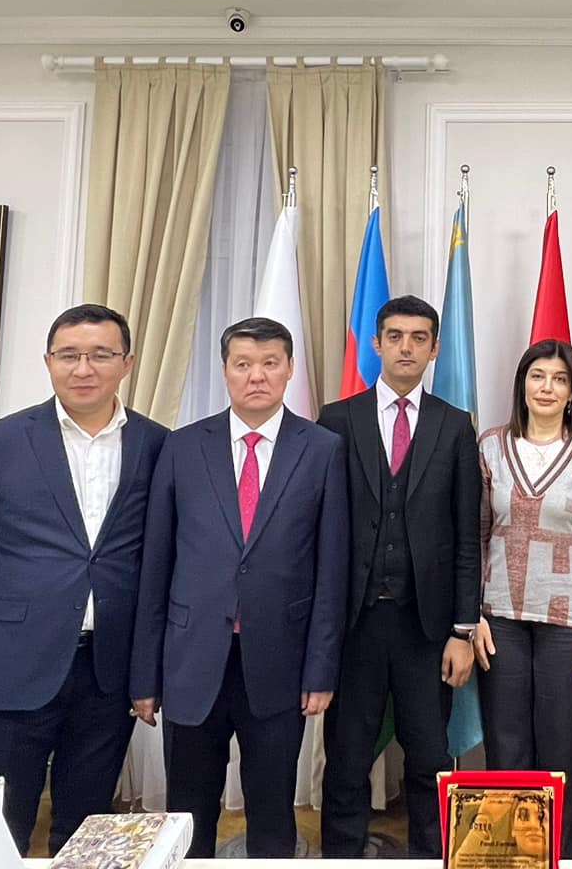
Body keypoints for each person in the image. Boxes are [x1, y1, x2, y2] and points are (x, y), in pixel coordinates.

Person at [0, 303, 169, 853]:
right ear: (48, 361)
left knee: (86, 831)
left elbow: (157, 559)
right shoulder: (0, 441)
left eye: (101, 355)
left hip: (106, 672)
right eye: (69, 355)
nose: (83, 368)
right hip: (9, 664)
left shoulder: (158, 445)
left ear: (127, 363)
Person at [130, 317, 348, 857]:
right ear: (225, 370)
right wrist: (145, 674)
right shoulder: (182, 447)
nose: (257, 376)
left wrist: (321, 669)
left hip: (279, 660)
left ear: (289, 369)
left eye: (270, 363)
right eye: (244, 364)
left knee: (272, 812)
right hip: (191, 658)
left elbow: (331, 569)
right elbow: (156, 566)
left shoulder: (322, 449)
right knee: (187, 813)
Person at [318, 295, 480, 858]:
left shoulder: (455, 426)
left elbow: (466, 536)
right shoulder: (337, 420)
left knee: (430, 759)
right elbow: (322, 529)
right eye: (395, 336)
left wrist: (463, 631)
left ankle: (429, 859)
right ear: (376, 343)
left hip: (426, 628)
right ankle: (341, 858)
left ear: (434, 349)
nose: (406, 347)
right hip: (354, 625)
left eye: (418, 338)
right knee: (346, 759)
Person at [474, 339, 572, 859]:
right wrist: (472, 615)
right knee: (506, 746)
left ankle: (560, 854)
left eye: (559, 379)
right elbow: (476, 533)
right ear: (522, 385)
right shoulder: (490, 446)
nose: (547, 387)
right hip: (499, 618)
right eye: (537, 376)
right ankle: (512, 856)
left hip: (568, 621)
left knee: (560, 749)